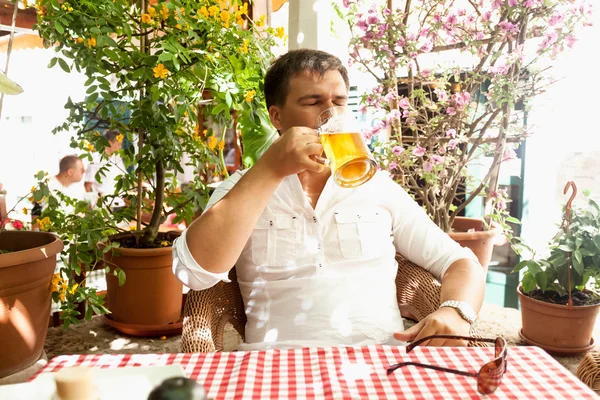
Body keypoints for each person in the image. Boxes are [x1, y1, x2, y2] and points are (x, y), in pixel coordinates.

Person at [172, 49, 486, 351]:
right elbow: (193, 273)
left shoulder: (376, 186)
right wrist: (270, 169)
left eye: (339, 102)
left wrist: (456, 311)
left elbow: (459, 262)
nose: (331, 115)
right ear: (277, 117)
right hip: (273, 365)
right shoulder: (245, 187)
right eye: (312, 102)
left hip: (379, 361)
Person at [84, 130, 127, 208]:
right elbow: (87, 185)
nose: (120, 147)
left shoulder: (117, 158)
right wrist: (90, 206)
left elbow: (125, 177)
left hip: (119, 203)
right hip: (103, 206)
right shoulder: (95, 160)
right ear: (109, 143)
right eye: (118, 144)